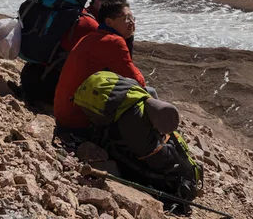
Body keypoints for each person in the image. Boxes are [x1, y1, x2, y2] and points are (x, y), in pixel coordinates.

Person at [73, 71, 202, 204]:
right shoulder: (135, 122)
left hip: (95, 86)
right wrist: (179, 168)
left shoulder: (143, 94)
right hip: (91, 110)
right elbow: (155, 159)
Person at [54, 0, 145, 131]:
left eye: (133, 18)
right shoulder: (113, 42)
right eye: (126, 18)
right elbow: (138, 82)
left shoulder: (91, 37)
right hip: (79, 120)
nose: (132, 23)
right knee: (146, 95)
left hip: (64, 113)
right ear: (109, 21)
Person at [20, 0, 118, 106]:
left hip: (32, 79)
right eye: (111, 4)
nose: (115, 9)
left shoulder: (78, 15)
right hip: (47, 90)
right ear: (98, 2)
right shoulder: (91, 26)